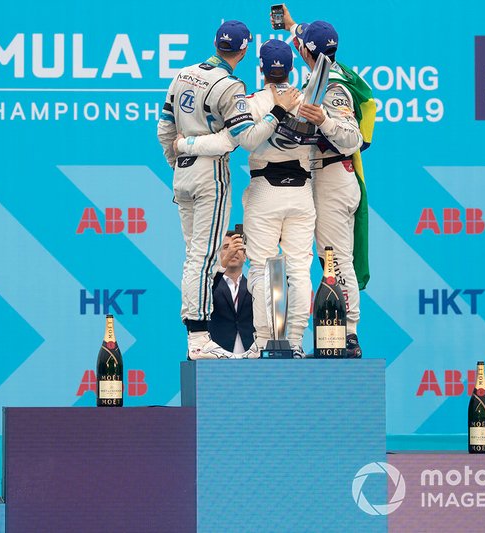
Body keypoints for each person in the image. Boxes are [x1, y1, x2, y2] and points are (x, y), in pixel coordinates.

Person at [157, 20, 299, 359]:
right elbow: (244, 138)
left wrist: (180, 158)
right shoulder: (230, 86)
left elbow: (164, 130)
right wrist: (277, 111)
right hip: (210, 176)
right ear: (245, 50)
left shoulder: (183, 74)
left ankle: (195, 336)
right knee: (203, 258)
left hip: (184, 175)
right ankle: (198, 338)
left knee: (194, 256)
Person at [278, 6, 375, 358]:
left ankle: (349, 333)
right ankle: (335, 329)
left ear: (308, 53)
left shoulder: (333, 88)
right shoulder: (330, 68)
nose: (297, 47)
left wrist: (324, 120)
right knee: (325, 256)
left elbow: (350, 138)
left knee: (336, 257)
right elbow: (303, 35)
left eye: (300, 44)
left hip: (334, 174)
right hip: (323, 175)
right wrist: (290, 24)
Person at [208, 232, 254, 355]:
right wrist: (222, 264)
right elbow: (206, 295)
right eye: (226, 247)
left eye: (238, 247)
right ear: (218, 255)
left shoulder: (254, 287)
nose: (233, 252)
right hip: (218, 355)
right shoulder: (210, 284)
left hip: (251, 355)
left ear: (245, 256)